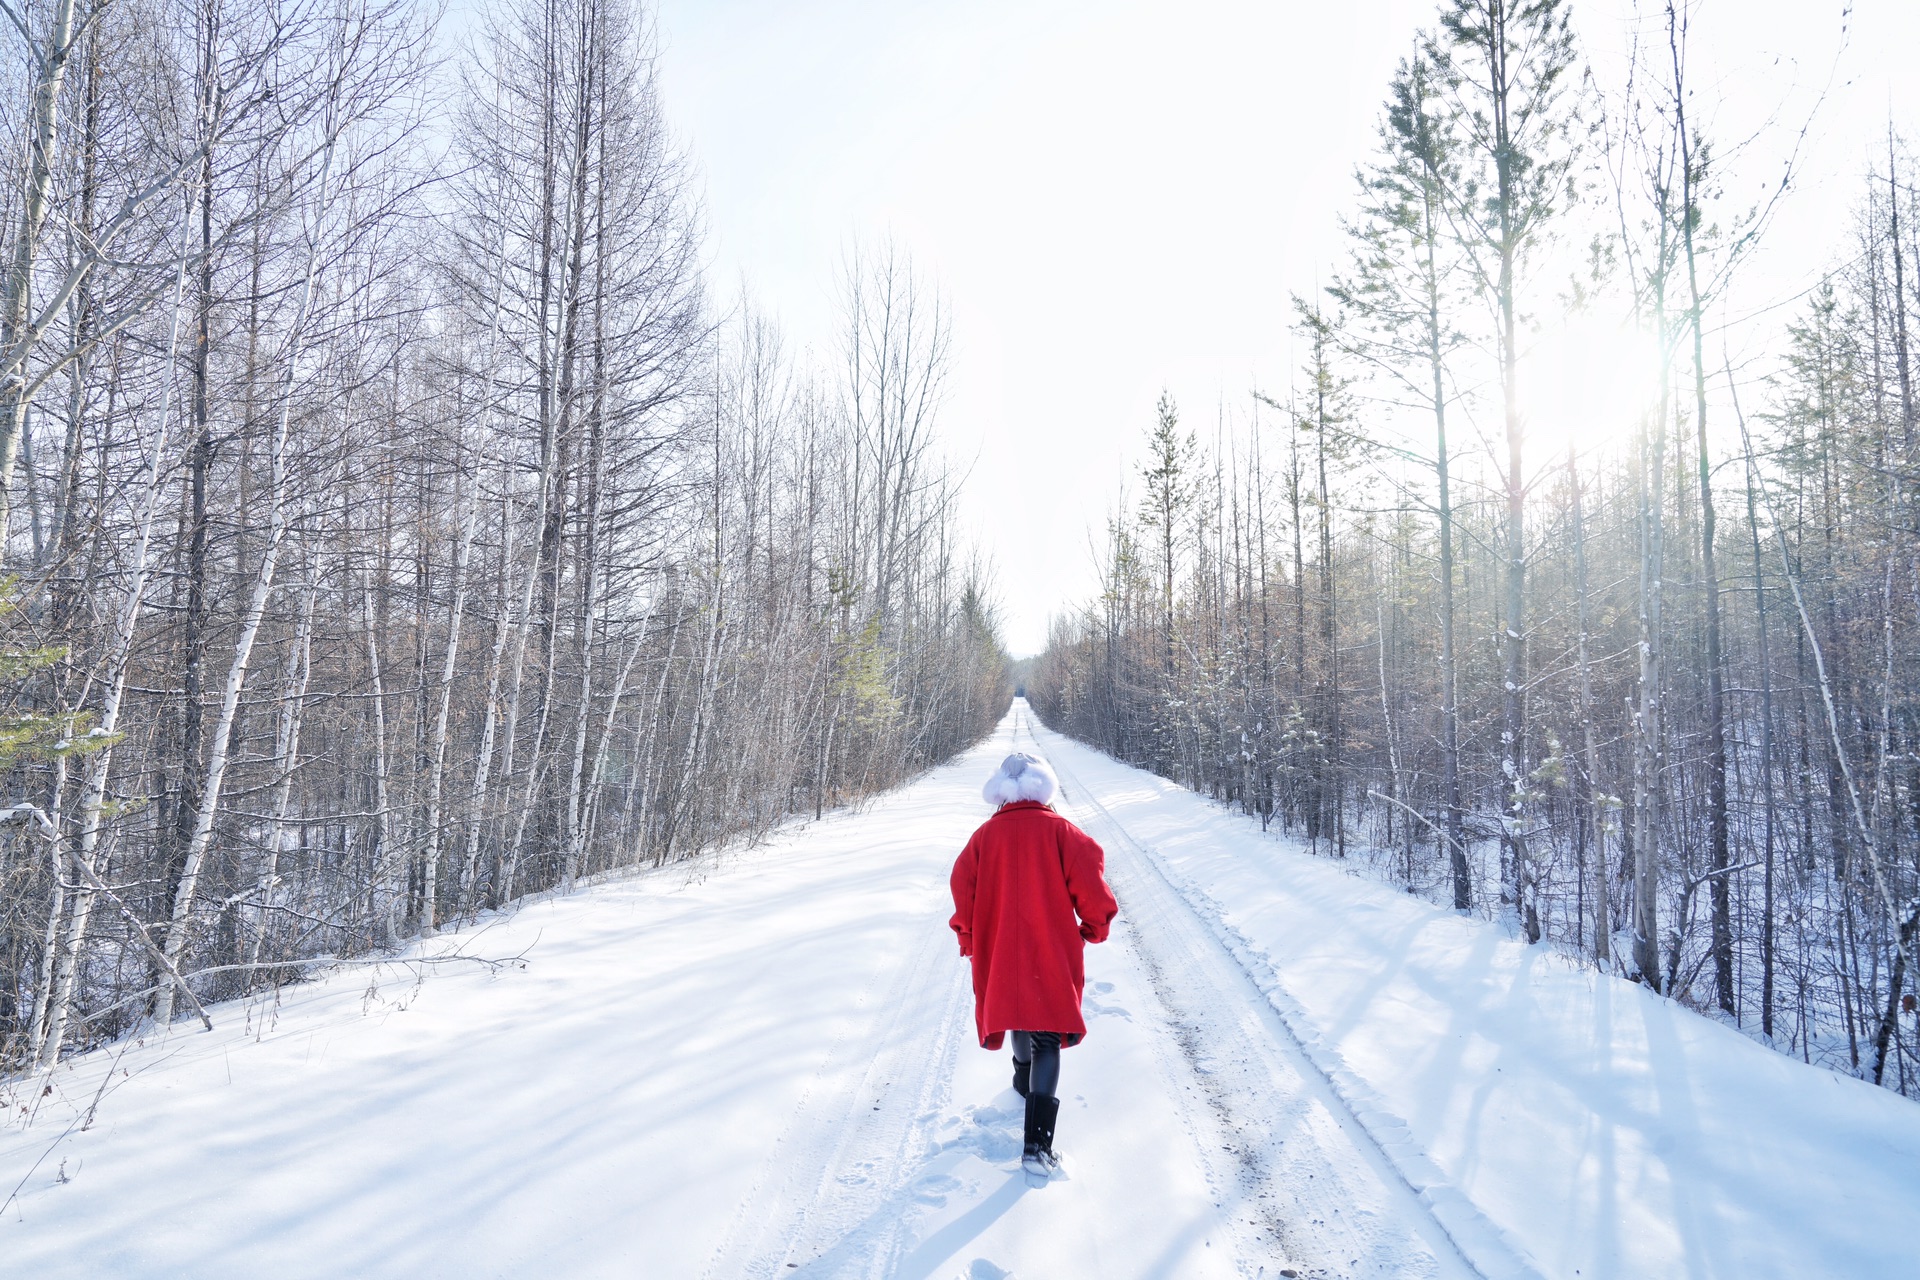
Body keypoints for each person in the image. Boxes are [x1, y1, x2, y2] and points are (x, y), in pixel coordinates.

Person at [948, 751, 1119, 1181]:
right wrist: (1094, 928)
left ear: (1002, 792)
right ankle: (1037, 1146)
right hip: (1051, 948)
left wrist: (969, 937)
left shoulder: (984, 837)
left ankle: (1024, 1083)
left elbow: (961, 885)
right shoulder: (1063, 832)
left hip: (1000, 948)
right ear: (1043, 787)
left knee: (1017, 1013)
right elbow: (1093, 885)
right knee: (1046, 1033)